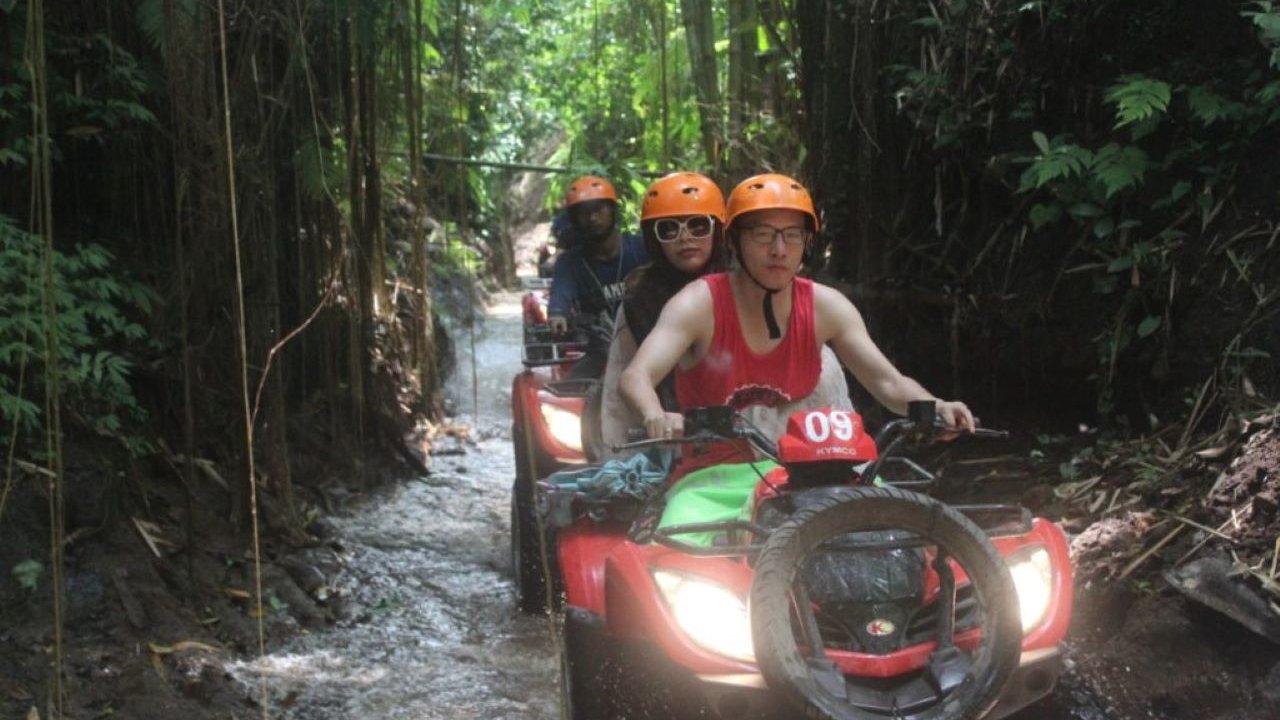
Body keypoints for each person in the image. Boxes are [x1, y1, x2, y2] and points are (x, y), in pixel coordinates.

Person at [620, 172, 974, 464]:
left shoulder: (827, 306)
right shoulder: (698, 304)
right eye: (763, 235)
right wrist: (655, 414)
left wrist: (937, 407)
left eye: (792, 236)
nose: (779, 250)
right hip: (716, 481)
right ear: (733, 242)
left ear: (807, 244)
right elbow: (637, 375)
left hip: (812, 474)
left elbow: (888, 384)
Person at [598, 172, 852, 454]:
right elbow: (623, 387)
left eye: (698, 226)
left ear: (721, 232)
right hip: (672, 435)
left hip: (764, 433)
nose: (685, 237)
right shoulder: (639, 297)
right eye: (668, 229)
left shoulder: (754, 281)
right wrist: (646, 428)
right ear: (652, 238)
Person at [546, 175, 648, 379]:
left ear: (612, 210)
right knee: (567, 390)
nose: (592, 218)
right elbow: (561, 294)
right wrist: (558, 314)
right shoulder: (570, 262)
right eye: (583, 213)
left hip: (650, 343)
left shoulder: (642, 248)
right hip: (600, 351)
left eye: (598, 209)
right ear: (574, 220)